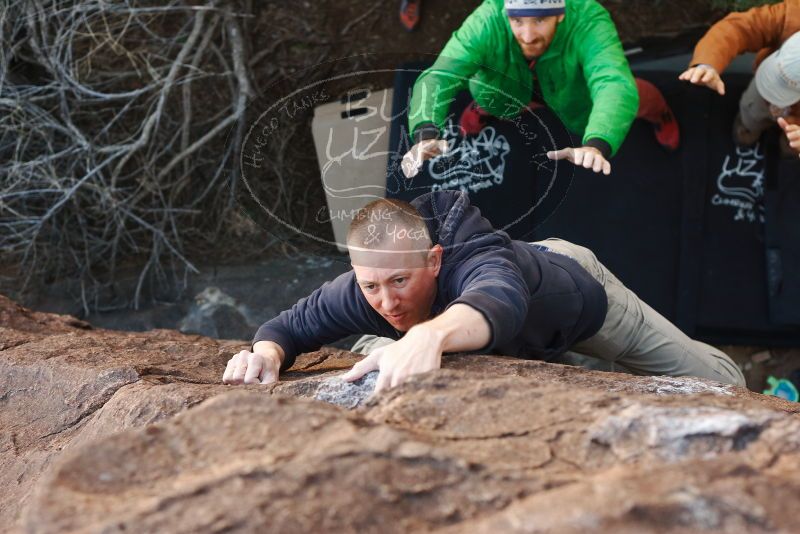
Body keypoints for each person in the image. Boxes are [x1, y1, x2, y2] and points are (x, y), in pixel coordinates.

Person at [222, 191, 745, 391]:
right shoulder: (364, 286)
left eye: (400, 282)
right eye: (372, 287)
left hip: (573, 296)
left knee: (723, 382)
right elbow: (289, 327)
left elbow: (498, 298)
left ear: (433, 260)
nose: (387, 301)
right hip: (511, 334)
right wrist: (263, 352)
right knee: (372, 342)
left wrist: (428, 337)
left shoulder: (475, 256)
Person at [401, 0, 680, 180]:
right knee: (493, 100)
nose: (528, 35)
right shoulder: (486, 20)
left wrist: (598, 142)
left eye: (540, 20)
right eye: (518, 21)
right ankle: (487, 109)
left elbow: (613, 83)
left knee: (633, 94)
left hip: (574, 93)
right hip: (507, 90)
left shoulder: (589, 18)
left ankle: (660, 114)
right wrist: (426, 131)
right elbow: (440, 75)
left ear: (560, 15)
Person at [679, 2, 800, 157]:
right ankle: (747, 129)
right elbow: (738, 28)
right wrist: (708, 62)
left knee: (791, 144)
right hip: (760, 89)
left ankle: (788, 150)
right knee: (750, 112)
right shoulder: (793, 16)